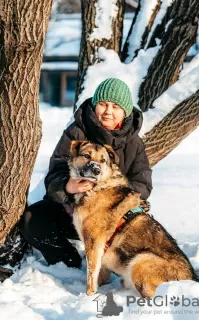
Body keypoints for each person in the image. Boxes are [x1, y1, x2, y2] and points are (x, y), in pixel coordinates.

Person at [19, 78, 153, 268]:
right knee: (32, 220)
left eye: (115, 106)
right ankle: (68, 263)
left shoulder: (134, 143)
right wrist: (66, 187)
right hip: (71, 211)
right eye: (103, 104)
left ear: (125, 112)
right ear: (94, 105)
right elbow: (55, 171)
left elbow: (143, 184)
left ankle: (121, 268)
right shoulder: (76, 132)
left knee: (140, 232)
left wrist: (108, 190)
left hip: (110, 214)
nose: (108, 111)